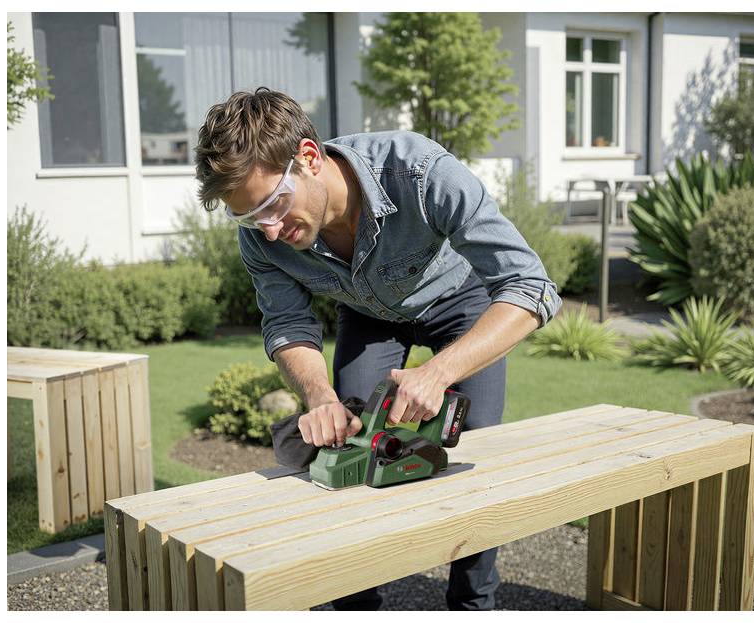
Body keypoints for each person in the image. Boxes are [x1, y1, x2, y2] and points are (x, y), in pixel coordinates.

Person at [194, 87, 562, 610]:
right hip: (367, 315)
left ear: (308, 156)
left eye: (273, 204)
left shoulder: (419, 171)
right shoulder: (261, 236)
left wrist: (436, 374)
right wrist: (319, 396)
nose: (269, 230)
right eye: (251, 218)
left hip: (459, 300)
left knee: (473, 444)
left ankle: (471, 604)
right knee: (347, 447)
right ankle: (356, 604)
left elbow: (531, 287)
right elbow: (288, 324)